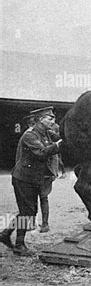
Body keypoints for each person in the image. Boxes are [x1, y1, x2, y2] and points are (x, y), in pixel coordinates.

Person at [0, 107, 62, 255]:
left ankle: (5, 234)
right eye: (50, 118)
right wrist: (58, 145)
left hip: (32, 178)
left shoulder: (46, 133)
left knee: (29, 210)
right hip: (23, 178)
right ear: (41, 119)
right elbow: (41, 153)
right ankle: (19, 245)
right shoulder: (30, 135)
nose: (53, 121)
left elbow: (60, 136)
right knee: (27, 211)